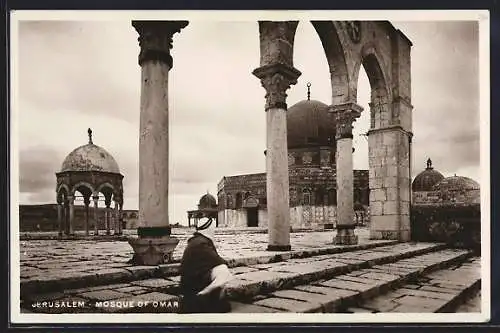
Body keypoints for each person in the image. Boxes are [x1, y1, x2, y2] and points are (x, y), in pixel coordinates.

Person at [179, 216, 233, 313]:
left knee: (220, 273)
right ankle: (204, 293)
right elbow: (219, 261)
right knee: (223, 271)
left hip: (191, 280)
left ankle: (209, 297)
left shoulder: (197, 240)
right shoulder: (202, 244)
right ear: (209, 229)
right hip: (193, 283)